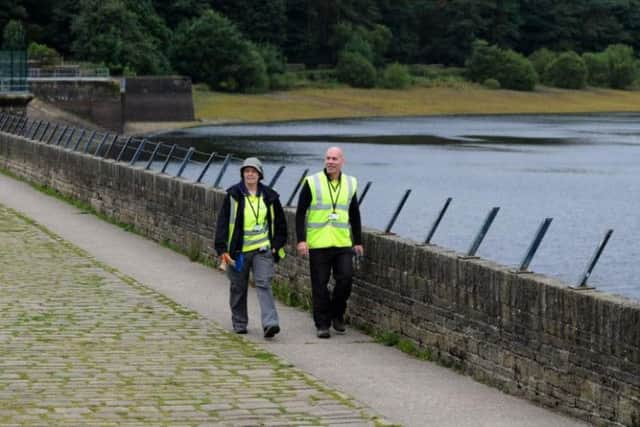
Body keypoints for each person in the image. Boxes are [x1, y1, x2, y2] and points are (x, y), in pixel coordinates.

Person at [215, 157, 287, 338]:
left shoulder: (270, 196)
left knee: (264, 283)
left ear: (260, 174)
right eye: (246, 171)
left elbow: (281, 225)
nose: (250, 174)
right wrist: (222, 249)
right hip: (238, 251)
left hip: (263, 249)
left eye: (253, 171)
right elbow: (223, 223)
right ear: (242, 174)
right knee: (238, 287)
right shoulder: (233, 195)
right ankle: (239, 322)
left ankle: (270, 323)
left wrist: (275, 246)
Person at [295, 146, 363, 338]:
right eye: (328, 158)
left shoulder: (350, 183)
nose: (330, 162)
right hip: (318, 243)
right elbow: (300, 213)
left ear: (342, 161)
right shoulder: (312, 182)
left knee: (346, 279)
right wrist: (301, 240)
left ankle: (337, 313)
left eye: (334, 159)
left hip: (342, 243)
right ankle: (322, 324)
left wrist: (357, 240)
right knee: (319, 285)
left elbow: (354, 213)